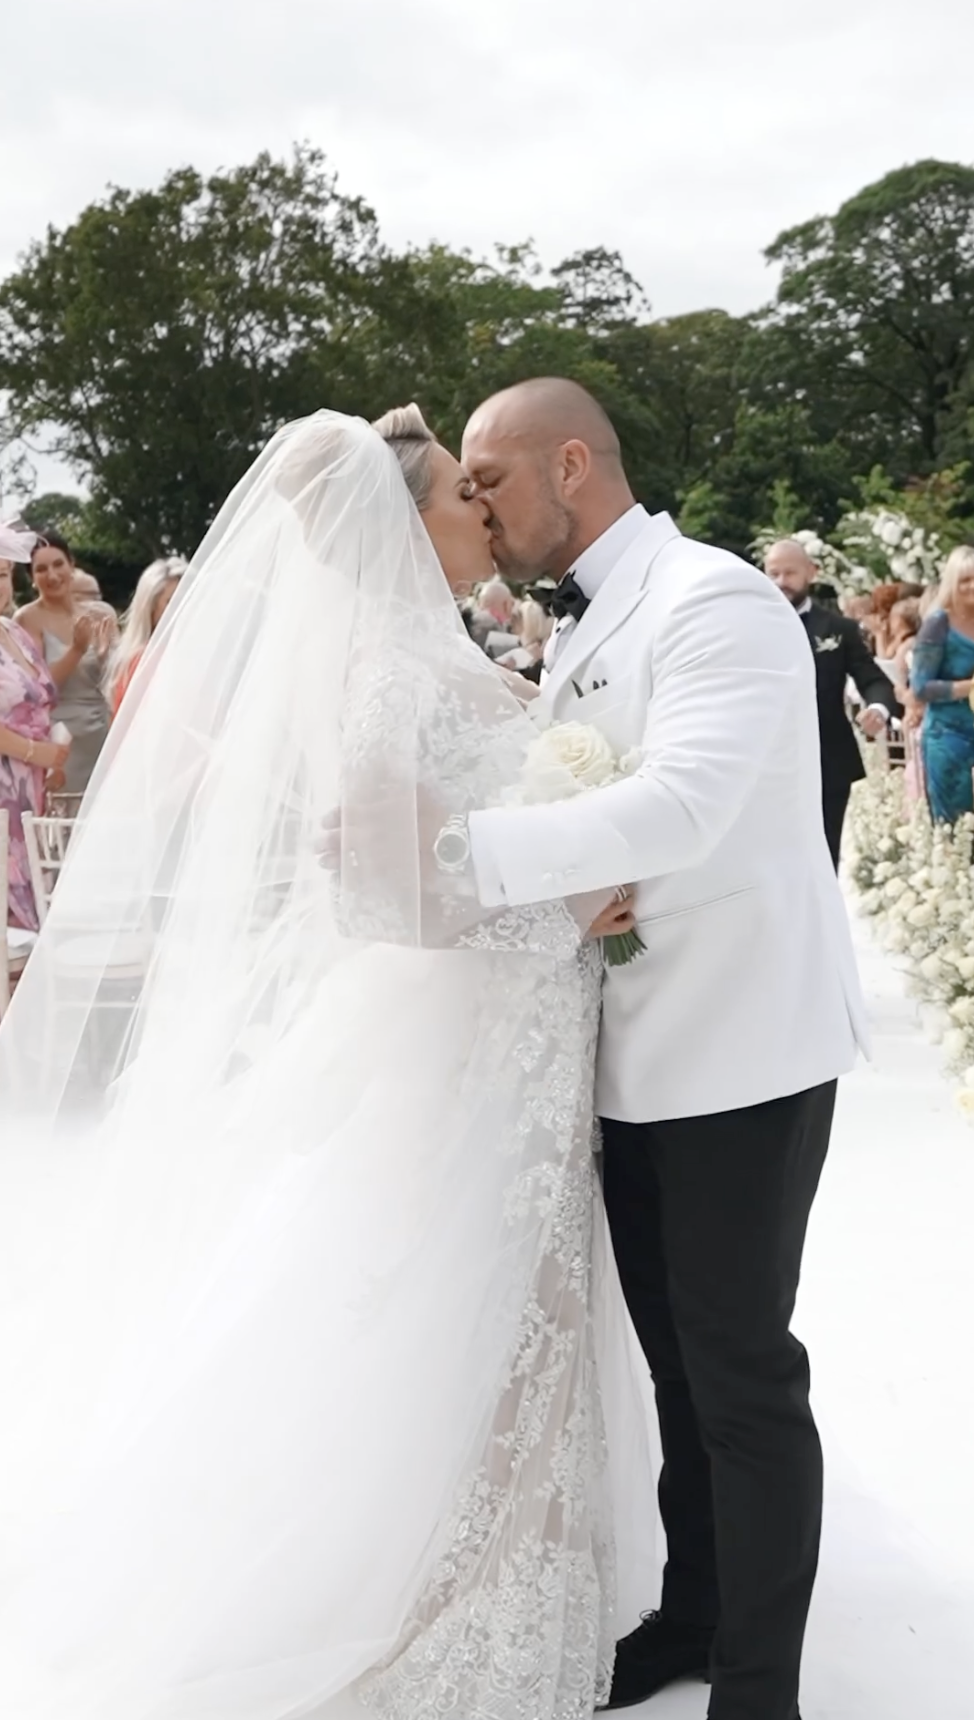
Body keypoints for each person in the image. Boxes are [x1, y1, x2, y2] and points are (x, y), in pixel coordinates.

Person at [0, 409, 651, 1720]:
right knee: (479, 1302)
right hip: (466, 1031)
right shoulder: (390, 673)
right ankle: (449, 1586)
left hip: (497, 1029)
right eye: (460, 497)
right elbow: (372, 889)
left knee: (509, 1304)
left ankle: (522, 1552)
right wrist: (560, 896)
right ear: (410, 521)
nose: (480, 511)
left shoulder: (420, 648)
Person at [459, 379, 867, 1720]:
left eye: (491, 479)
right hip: (631, 1057)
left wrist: (464, 859)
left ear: (570, 463)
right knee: (675, 1366)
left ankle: (759, 1687)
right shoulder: (581, 624)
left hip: (739, 1053)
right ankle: (691, 1616)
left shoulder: (716, 601)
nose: (477, 507)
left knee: (742, 1375)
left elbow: (683, 803)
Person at [764, 539, 896, 868]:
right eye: (774, 573)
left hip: (828, 760)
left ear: (811, 572)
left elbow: (875, 680)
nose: (781, 582)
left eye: (790, 573)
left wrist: (877, 709)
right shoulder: (745, 625)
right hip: (765, 763)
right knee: (772, 862)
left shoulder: (839, 629)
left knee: (824, 858)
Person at [0, 529, 70, 928]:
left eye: (3, 574)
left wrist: (54, 754)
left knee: (38, 902)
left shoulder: (15, 632)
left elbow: (40, 700)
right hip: (4, 790)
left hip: (34, 789)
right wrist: (33, 752)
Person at [16, 531, 114, 795]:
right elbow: (37, 689)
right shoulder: (26, 620)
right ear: (32, 579)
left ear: (72, 565)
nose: (52, 575)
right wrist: (77, 650)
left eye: (59, 564)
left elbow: (119, 682)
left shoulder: (102, 614)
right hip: (60, 738)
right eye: (41, 569)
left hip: (103, 732)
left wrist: (106, 657)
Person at [910, 545, 974, 822]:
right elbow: (921, 687)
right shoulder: (938, 623)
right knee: (955, 830)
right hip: (948, 738)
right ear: (952, 582)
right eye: (965, 580)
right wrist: (968, 687)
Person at [104, 555, 186, 716]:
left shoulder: (192, 654)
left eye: (188, 598)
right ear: (150, 608)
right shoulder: (143, 660)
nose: (183, 607)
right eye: (172, 602)